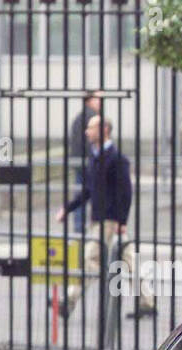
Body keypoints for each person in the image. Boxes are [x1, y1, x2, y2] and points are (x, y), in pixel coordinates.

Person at [54, 115, 137, 328]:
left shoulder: (116, 158)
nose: (86, 132)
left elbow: (125, 192)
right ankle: (148, 300)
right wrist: (68, 207)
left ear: (104, 130)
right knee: (128, 261)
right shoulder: (95, 156)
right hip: (100, 219)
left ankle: (68, 301)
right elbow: (89, 190)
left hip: (109, 221)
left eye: (90, 128)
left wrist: (122, 220)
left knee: (90, 260)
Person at [68, 92, 102, 233]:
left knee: (80, 194)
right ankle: (90, 227)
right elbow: (91, 143)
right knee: (93, 194)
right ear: (89, 100)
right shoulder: (92, 118)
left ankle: (79, 227)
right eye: (98, 98)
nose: (100, 101)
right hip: (88, 163)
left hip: (79, 162)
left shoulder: (79, 117)